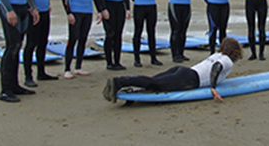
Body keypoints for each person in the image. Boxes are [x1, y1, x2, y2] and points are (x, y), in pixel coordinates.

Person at [103, 37, 243, 103]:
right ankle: (119, 82)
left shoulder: (217, 54)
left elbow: (214, 65)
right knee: (156, 83)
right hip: (190, 79)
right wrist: (213, 88)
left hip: (184, 70)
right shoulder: (227, 60)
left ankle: (132, 94)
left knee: (154, 82)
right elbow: (216, 67)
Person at [61, 0, 109, 79]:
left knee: (83, 39)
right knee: (73, 39)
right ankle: (67, 69)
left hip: (87, 11)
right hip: (75, 11)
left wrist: (100, 10)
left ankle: (78, 67)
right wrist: (69, 13)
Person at [22, 0, 58, 88]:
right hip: (33, 12)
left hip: (44, 10)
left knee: (43, 42)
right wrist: (30, 7)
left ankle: (41, 72)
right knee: (31, 43)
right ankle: (27, 76)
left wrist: (48, 3)